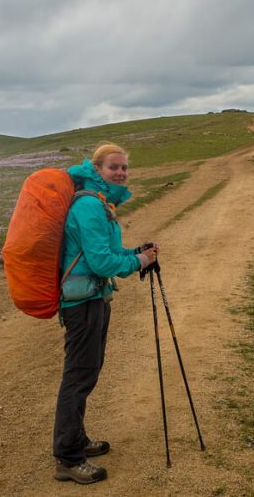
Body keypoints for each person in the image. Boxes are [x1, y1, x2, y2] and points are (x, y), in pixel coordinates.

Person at [52, 143, 158, 484]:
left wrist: (136, 253)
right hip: (82, 303)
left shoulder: (100, 202)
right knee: (78, 377)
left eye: (124, 167)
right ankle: (68, 458)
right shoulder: (88, 205)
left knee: (88, 371)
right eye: (114, 167)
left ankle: (76, 439)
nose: (121, 173)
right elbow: (101, 262)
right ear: (97, 170)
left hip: (94, 297)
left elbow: (108, 252)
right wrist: (139, 261)